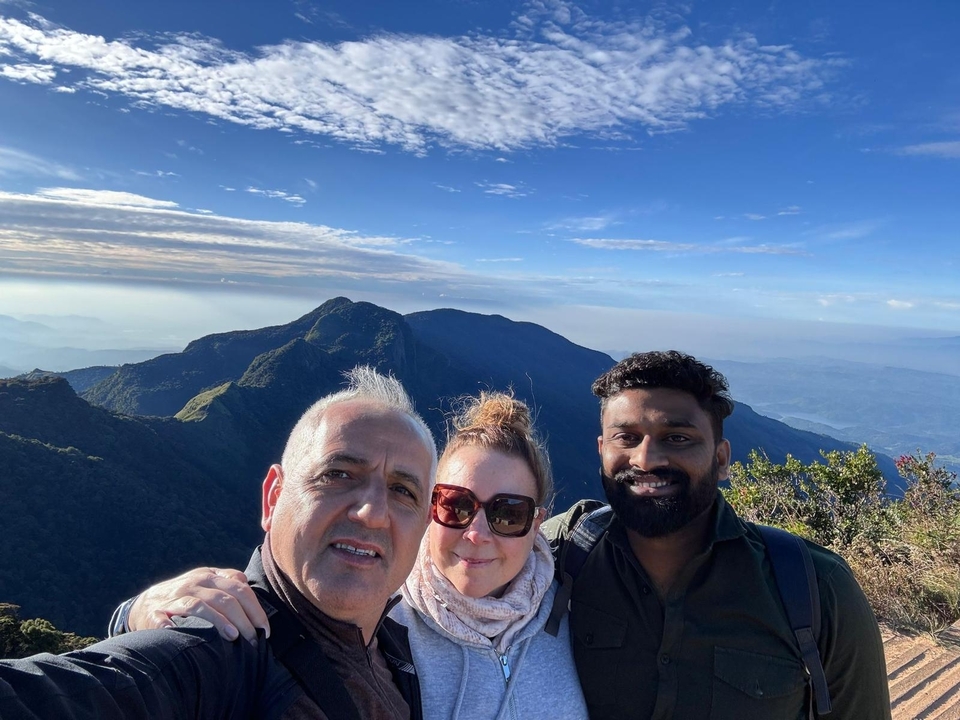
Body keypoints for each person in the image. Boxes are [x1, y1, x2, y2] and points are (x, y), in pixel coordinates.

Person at [114, 392, 588, 720]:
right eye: (455, 506)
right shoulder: (377, 614)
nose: (477, 532)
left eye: (508, 513)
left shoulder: (583, 606)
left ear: (537, 522)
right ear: (427, 510)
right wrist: (137, 613)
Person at [0, 366, 437, 719]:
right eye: (338, 475)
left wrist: (126, 613)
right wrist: (134, 620)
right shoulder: (215, 655)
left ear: (422, 530)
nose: (372, 512)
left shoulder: (401, 647)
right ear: (273, 497)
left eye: (404, 491)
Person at [542, 350, 892, 719]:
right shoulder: (558, 553)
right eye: (626, 438)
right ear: (602, 450)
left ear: (721, 459)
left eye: (677, 438)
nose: (645, 459)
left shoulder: (816, 589)